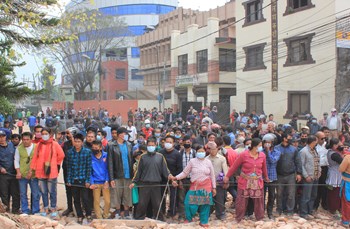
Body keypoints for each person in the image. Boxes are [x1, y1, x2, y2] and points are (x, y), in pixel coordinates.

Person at [223, 138, 269, 222]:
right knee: (241, 200)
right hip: (245, 181)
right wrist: (227, 176)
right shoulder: (244, 155)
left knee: (259, 200)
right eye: (259, 146)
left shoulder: (262, 155)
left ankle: (260, 217)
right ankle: (239, 217)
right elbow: (234, 166)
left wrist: (266, 177)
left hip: (257, 181)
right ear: (254, 146)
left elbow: (264, 168)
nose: (261, 147)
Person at [172, 145, 216, 227]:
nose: (201, 153)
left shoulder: (208, 162)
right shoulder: (192, 161)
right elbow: (185, 173)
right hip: (195, 186)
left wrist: (214, 187)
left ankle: (203, 221)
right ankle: (189, 218)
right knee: (188, 203)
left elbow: (212, 175)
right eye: (199, 151)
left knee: (205, 205)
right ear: (196, 152)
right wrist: (176, 177)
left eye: (202, 151)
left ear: (205, 152)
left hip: (206, 187)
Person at [131, 137, 173, 221]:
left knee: (157, 203)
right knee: (142, 203)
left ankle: (159, 219)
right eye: (149, 145)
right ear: (147, 146)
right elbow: (138, 171)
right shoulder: (142, 157)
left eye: (152, 145)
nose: (151, 147)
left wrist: (170, 176)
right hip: (144, 184)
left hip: (156, 184)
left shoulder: (160, 157)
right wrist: (134, 182)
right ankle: (139, 219)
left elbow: (165, 170)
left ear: (155, 145)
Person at [30, 128, 65, 218]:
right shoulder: (38, 145)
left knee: (52, 191)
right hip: (40, 171)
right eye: (43, 134)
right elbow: (34, 157)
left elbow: (61, 155)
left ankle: (53, 208)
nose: (44, 135)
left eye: (46, 133)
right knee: (43, 191)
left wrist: (55, 164)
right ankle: (46, 208)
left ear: (50, 134)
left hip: (51, 172)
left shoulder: (55, 144)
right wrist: (32, 169)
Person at [107, 127, 133, 219]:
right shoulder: (111, 146)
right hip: (117, 174)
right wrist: (111, 178)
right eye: (125, 134)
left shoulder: (129, 145)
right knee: (116, 194)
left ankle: (126, 213)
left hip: (128, 174)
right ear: (120, 134)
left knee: (127, 194)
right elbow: (110, 162)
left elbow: (132, 160)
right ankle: (117, 212)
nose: (126, 135)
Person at [66, 133, 92, 224]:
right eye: (75, 141)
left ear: (82, 142)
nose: (77, 143)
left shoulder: (87, 152)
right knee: (76, 199)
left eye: (79, 142)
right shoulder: (70, 152)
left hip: (84, 180)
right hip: (73, 180)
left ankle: (88, 214)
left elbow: (89, 167)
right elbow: (68, 167)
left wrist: (88, 180)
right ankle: (80, 215)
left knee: (85, 198)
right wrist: (68, 180)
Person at [274, 133, 302, 215]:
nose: (291, 139)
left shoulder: (294, 149)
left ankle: (289, 210)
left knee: (291, 194)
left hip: (291, 175)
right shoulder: (276, 148)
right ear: (284, 138)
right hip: (279, 174)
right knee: (279, 194)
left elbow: (298, 161)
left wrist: (299, 173)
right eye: (289, 137)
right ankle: (279, 209)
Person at [14, 132, 40, 214]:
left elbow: (38, 161)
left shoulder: (36, 147)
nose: (25, 141)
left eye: (27, 139)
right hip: (22, 175)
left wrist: (32, 171)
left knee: (35, 194)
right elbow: (16, 161)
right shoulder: (19, 148)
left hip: (34, 176)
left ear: (31, 139)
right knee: (23, 194)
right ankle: (25, 210)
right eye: (24, 139)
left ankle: (35, 210)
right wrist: (18, 172)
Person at [159, 135, 182, 218]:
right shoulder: (160, 153)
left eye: (170, 142)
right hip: (162, 179)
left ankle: (172, 213)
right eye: (166, 142)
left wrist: (176, 179)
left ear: (173, 143)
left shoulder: (177, 154)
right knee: (162, 196)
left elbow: (180, 168)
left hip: (174, 179)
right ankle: (162, 213)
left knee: (173, 197)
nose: (168, 144)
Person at [299, 135, 321, 219]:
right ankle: (303, 212)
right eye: (316, 141)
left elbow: (317, 162)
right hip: (308, 177)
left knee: (313, 195)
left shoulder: (315, 150)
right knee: (306, 196)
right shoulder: (304, 151)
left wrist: (319, 171)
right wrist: (306, 175)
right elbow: (301, 165)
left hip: (315, 176)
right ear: (313, 142)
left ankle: (310, 210)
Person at [206, 141, 228, 220]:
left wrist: (226, 180)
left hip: (219, 182)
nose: (212, 151)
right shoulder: (206, 159)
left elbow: (225, 170)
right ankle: (207, 213)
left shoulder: (222, 158)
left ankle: (220, 214)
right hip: (208, 183)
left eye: (214, 149)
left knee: (220, 198)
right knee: (208, 199)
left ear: (217, 149)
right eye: (210, 149)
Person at [0, 130, 20, 214]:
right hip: (3, 175)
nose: (1, 139)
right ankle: (6, 210)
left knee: (15, 193)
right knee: (4, 194)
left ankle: (16, 210)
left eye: (3, 136)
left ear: (6, 137)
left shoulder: (12, 145)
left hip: (13, 173)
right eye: (0, 137)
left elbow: (17, 158)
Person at [262, 133, 281, 219]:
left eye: (269, 142)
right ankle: (261, 212)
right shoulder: (260, 152)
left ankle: (269, 212)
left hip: (273, 177)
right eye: (266, 142)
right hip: (262, 177)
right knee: (261, 196)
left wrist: (268, 151)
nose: (267, 144)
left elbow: (273, 161)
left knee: (272, 196)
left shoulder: (277, 152)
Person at [90, 140, 110, 219]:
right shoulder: (90, 156)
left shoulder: (106, 155)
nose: (94, 149)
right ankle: (99, 218)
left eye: (96, 148)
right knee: (96, 201)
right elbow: (89, 171)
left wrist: (107, 180)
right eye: (93, 148)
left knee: (107, 201)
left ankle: (105, 215)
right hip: (95, 182)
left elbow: (108, 169)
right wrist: (92, 182)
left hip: (105, 182)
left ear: (100, 148)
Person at [178, 135, 196, 220]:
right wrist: (179, 180)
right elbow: (178, 167)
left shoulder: (195, 153)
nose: (187, 144)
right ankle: (182, 214)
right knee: (181, 198)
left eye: (189, 142)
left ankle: (192, 214)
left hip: (193, 179)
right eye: (186, 142)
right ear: (183, 143)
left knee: (192, 198)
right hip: (183, 179)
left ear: (191, 143)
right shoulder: (180, 153)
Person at [61, 127, 79, 217]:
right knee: (68, 189)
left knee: (76, 189)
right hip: (67, 169)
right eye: (67, 134)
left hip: (76, 170)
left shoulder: (78, 143)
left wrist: (73, 139)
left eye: (69, 134)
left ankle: (77, 208)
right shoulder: (65, 144)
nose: (67, 135)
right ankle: (69, 207)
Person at [325, 138, 343, 217]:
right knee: (334, 193)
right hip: (335, 175)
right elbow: (342, 161)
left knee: (335, 192)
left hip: (334, 173)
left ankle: (335, 208)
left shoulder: (330, 152)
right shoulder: (334, 154)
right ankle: (334, 208)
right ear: (335, 145)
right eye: (339, 145)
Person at [339, 152, 350, 226]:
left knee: (346, 201)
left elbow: (341, 169)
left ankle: (346, 221)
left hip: (347, 182)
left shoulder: (348, 157)